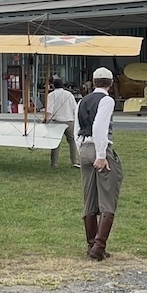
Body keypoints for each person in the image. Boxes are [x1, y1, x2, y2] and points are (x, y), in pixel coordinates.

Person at [77, 66, 122, 260]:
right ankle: (99, 246)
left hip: (84, 148)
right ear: (111, 83)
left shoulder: (82, 101)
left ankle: (91, 244)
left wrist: (81, 149)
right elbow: (99, 128)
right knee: (108, 198)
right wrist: (101, 155)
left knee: (89, 197)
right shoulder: (107, 100)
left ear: (93, 82)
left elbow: (77, 127)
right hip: (99, 148)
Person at [42, 78, 79, 169]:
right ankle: (75, 161)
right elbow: (75, 108)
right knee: (72, 141)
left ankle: (54, 163)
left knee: (56, 142)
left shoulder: (51, 95)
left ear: (53, 86)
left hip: (56, 121)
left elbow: (49, 110)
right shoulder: (69, 94)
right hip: (69, 120)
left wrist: (45, 119)